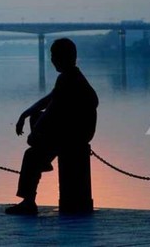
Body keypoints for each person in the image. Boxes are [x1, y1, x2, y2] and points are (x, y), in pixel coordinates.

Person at [6, 38, 98, 215]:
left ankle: (28, 201)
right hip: (70, 130)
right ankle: (44, 158)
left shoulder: (69, 79)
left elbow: (52, 111)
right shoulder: (69, 76)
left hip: (75, 134)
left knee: (31, 155)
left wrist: (34, 134)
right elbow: (49, 100)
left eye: (54, 56)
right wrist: (25, 114)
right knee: (36, 117)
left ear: (65, 57)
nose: (52, 60)